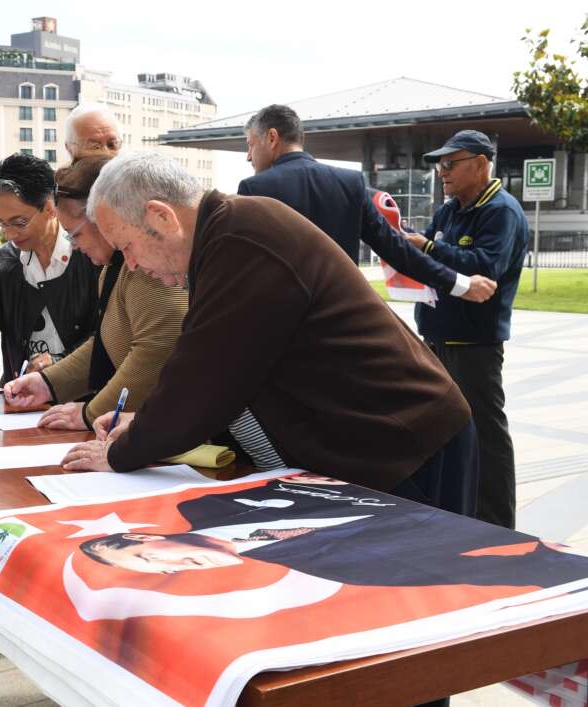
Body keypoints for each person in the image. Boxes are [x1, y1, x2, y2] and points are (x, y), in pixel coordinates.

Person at [61, 151, 478, 518]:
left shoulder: (241, 241)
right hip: (380, 446)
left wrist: (120, 452)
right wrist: (147, 425)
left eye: (128, 247)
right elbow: (209, 374)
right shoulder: (223, 238)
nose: (130, 265)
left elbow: (203, 381)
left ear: (161, 217)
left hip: (408, 446)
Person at [80, 475, 588, 586]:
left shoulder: (212, 504)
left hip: (410, 453)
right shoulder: (338, 573)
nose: (170, 568)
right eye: (152, 573)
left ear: (145, 538)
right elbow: (522, 569)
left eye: (146, 559)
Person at [237, 104, 497, 303]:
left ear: (272, 138)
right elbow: (396, 249)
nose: (248, 156)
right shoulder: (350, 183)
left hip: (281, 329)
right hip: (339, 321)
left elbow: (241, 271)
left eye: (250, 145)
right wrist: (460, 285)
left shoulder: (255, 189)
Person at [3, 156, 189, 430]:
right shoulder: (114, 269)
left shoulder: (143, 266)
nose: (74, 246)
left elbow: (156, 347)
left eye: (74, 234)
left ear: (103, 220)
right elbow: (106, 341)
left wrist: (92, 413)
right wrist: (48, 383)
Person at [403, 130, 530, 530]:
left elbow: (485, 267)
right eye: (439, 164)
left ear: (480, 163)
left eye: (450, 163)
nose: (442, 171)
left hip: (475, 344)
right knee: (443, 429)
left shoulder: (502, 211)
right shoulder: (449, 210)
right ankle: (456, 512)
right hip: (437, 337)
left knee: (486, 436)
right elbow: (433, 262)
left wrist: (426, 247)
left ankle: (496, 523)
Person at [0, 153, 99, 384]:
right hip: (20, 401)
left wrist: (58, 364)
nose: (9, 234)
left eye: (19, 222)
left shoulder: (91, 255)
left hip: (84, 399)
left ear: (49, 207)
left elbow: (110, 336)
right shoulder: (0, 264)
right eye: (1, 223)